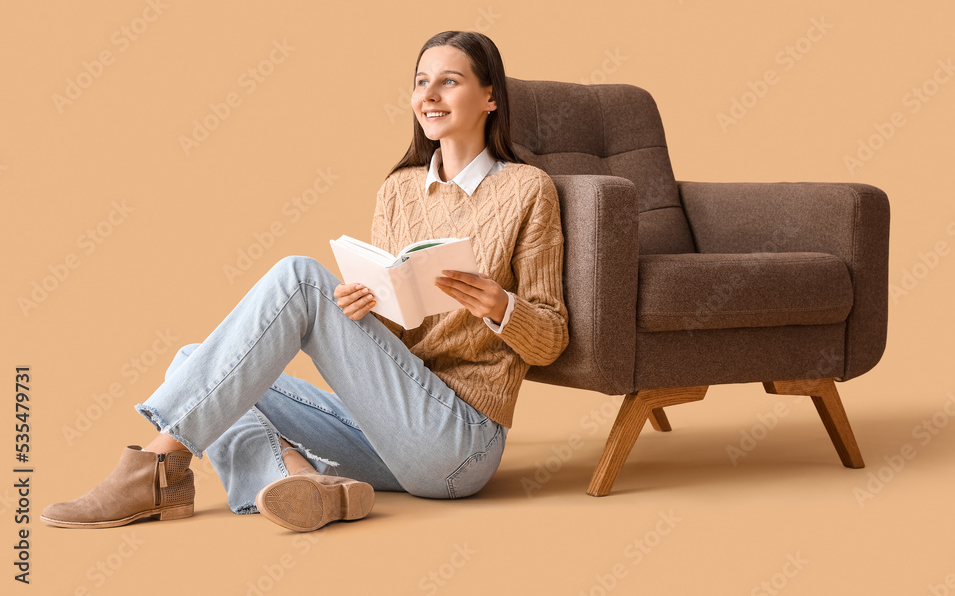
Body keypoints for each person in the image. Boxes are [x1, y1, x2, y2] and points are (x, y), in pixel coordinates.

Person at [41, 30, 569, 533]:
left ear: (490, 97)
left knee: (298, 278)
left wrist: (501, 306)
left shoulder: (527, 189)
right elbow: (398, 332)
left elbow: (552, 339)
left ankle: (154, 471)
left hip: (460, 441)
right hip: (390, 427)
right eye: (420, 81)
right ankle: (304, 483)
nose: (428, 95)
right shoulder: (399, 190)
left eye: (448, 81)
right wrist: (367, 306)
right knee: (196, 362)